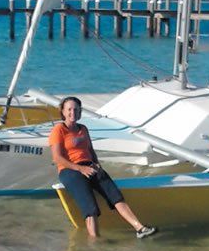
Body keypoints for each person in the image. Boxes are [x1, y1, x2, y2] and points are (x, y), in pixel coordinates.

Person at [48, 96, 157, 239]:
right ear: (63, 111)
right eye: (69, 109)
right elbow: (57, 158)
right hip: (69, 170)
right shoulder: (59, 129)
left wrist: (96, 163)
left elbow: (90, 150)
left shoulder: (83, 129)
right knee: (90, 207)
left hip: (89, 166)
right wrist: (80, 169)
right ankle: (95, 243)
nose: (72, 112)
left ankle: (140, 228)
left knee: (115, 196)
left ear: (80, 111)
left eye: (76, 109)